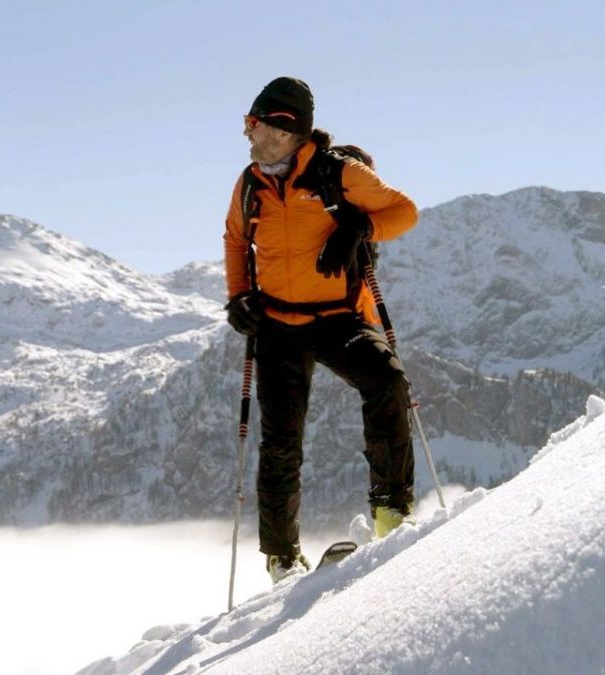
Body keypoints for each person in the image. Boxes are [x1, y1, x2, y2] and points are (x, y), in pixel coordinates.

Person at [222, 76, 419, 583]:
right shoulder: (249, 185)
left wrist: (360, 227)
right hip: (278, 323)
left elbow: (404, 212)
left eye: (253, 123)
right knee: (281, 440)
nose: (247, 134)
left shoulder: (340, 175)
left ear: (284, 130)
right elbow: (235, 240)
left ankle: (391, 512)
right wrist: (239, 296)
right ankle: (281, 556)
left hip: (339, 317)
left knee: (387, 382)